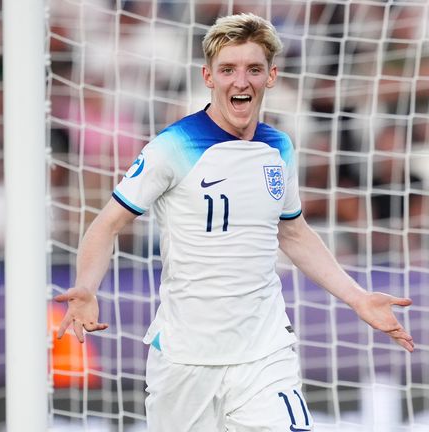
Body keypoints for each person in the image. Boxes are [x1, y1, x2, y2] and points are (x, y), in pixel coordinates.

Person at [54, 13, 413, 432]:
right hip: (186, 359)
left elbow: (292, 231)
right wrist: (86, 287)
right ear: (209, 76)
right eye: (228, 70)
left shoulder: (278, 146)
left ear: (271, 76)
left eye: (253, 69)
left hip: (264, 351)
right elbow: (107, 223)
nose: (240, 81)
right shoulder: (173, 145)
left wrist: (357, 298)